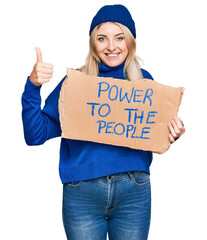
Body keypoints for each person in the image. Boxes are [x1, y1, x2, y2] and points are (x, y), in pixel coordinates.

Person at [21, 4, 185, 240]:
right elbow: (35, 135)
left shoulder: (143, 82)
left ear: (130, 41)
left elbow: (149, 132)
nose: (111, 47)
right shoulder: (75, 83)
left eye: (119, 37)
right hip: (82, 193)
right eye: (102, 38)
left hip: (133, 192)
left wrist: (171, 133)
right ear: (92, 43)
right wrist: (33, 86)